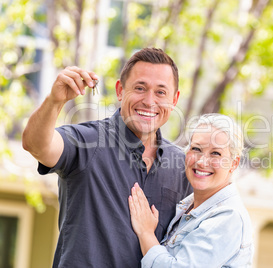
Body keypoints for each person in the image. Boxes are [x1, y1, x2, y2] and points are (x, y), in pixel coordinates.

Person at [22, 48, 193, 267]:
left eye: (161, 92)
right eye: (140, 88)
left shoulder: (182, 167)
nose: (149, 101)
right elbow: (36, 144)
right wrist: (55, 101)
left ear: (174, 99)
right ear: (120, 91)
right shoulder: (87, 142)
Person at [128, 114, 254, 267]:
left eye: (216, 153)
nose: (202, 161)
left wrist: (146, 233)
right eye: (196, 149)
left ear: (234, 163)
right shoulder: (187, 207)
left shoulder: (228, 217)